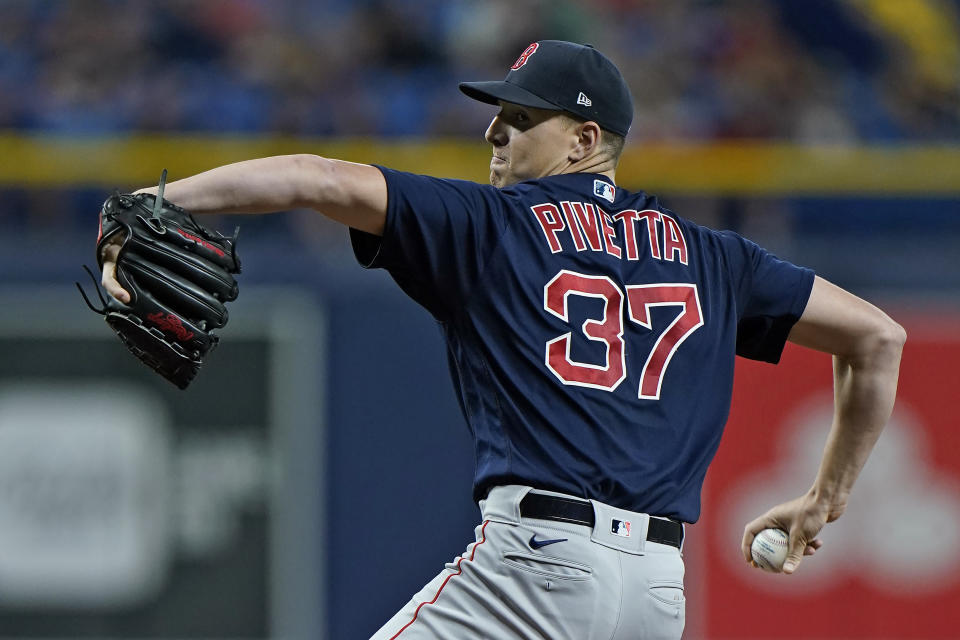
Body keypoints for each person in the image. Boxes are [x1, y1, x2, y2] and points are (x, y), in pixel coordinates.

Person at [100, 40, 905, 639]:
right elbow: (877, 338)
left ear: (585, 142)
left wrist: (157, 198)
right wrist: (825, 499)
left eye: (520, 119)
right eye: (495, 117)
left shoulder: (491, 225)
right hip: (659, 594)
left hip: (535, 566)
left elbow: (319, 178)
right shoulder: (715, 256)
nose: (494, 134)